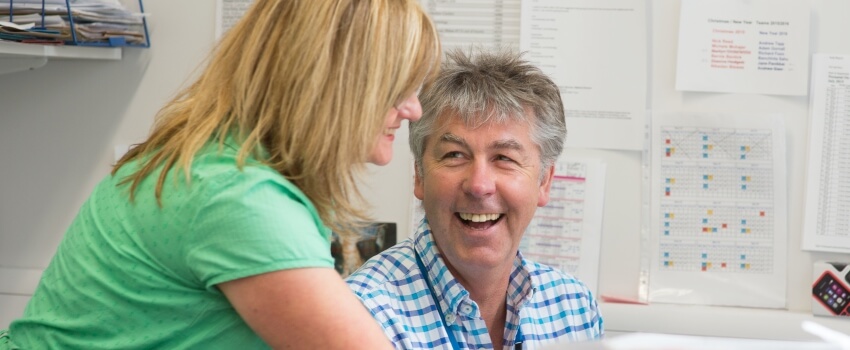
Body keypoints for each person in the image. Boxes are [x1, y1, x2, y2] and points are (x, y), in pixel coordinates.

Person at [0, 0, 440, 348]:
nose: (413, 109)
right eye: (398, 86)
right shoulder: (237, 198)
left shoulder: (210, 158)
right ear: (338, 86)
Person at [346, 49, 603, 349]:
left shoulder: (574, 309)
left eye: (504, 158)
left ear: (544, 181)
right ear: (419, 175)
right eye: (455, 155)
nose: (479, 186)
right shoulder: (362, 316)